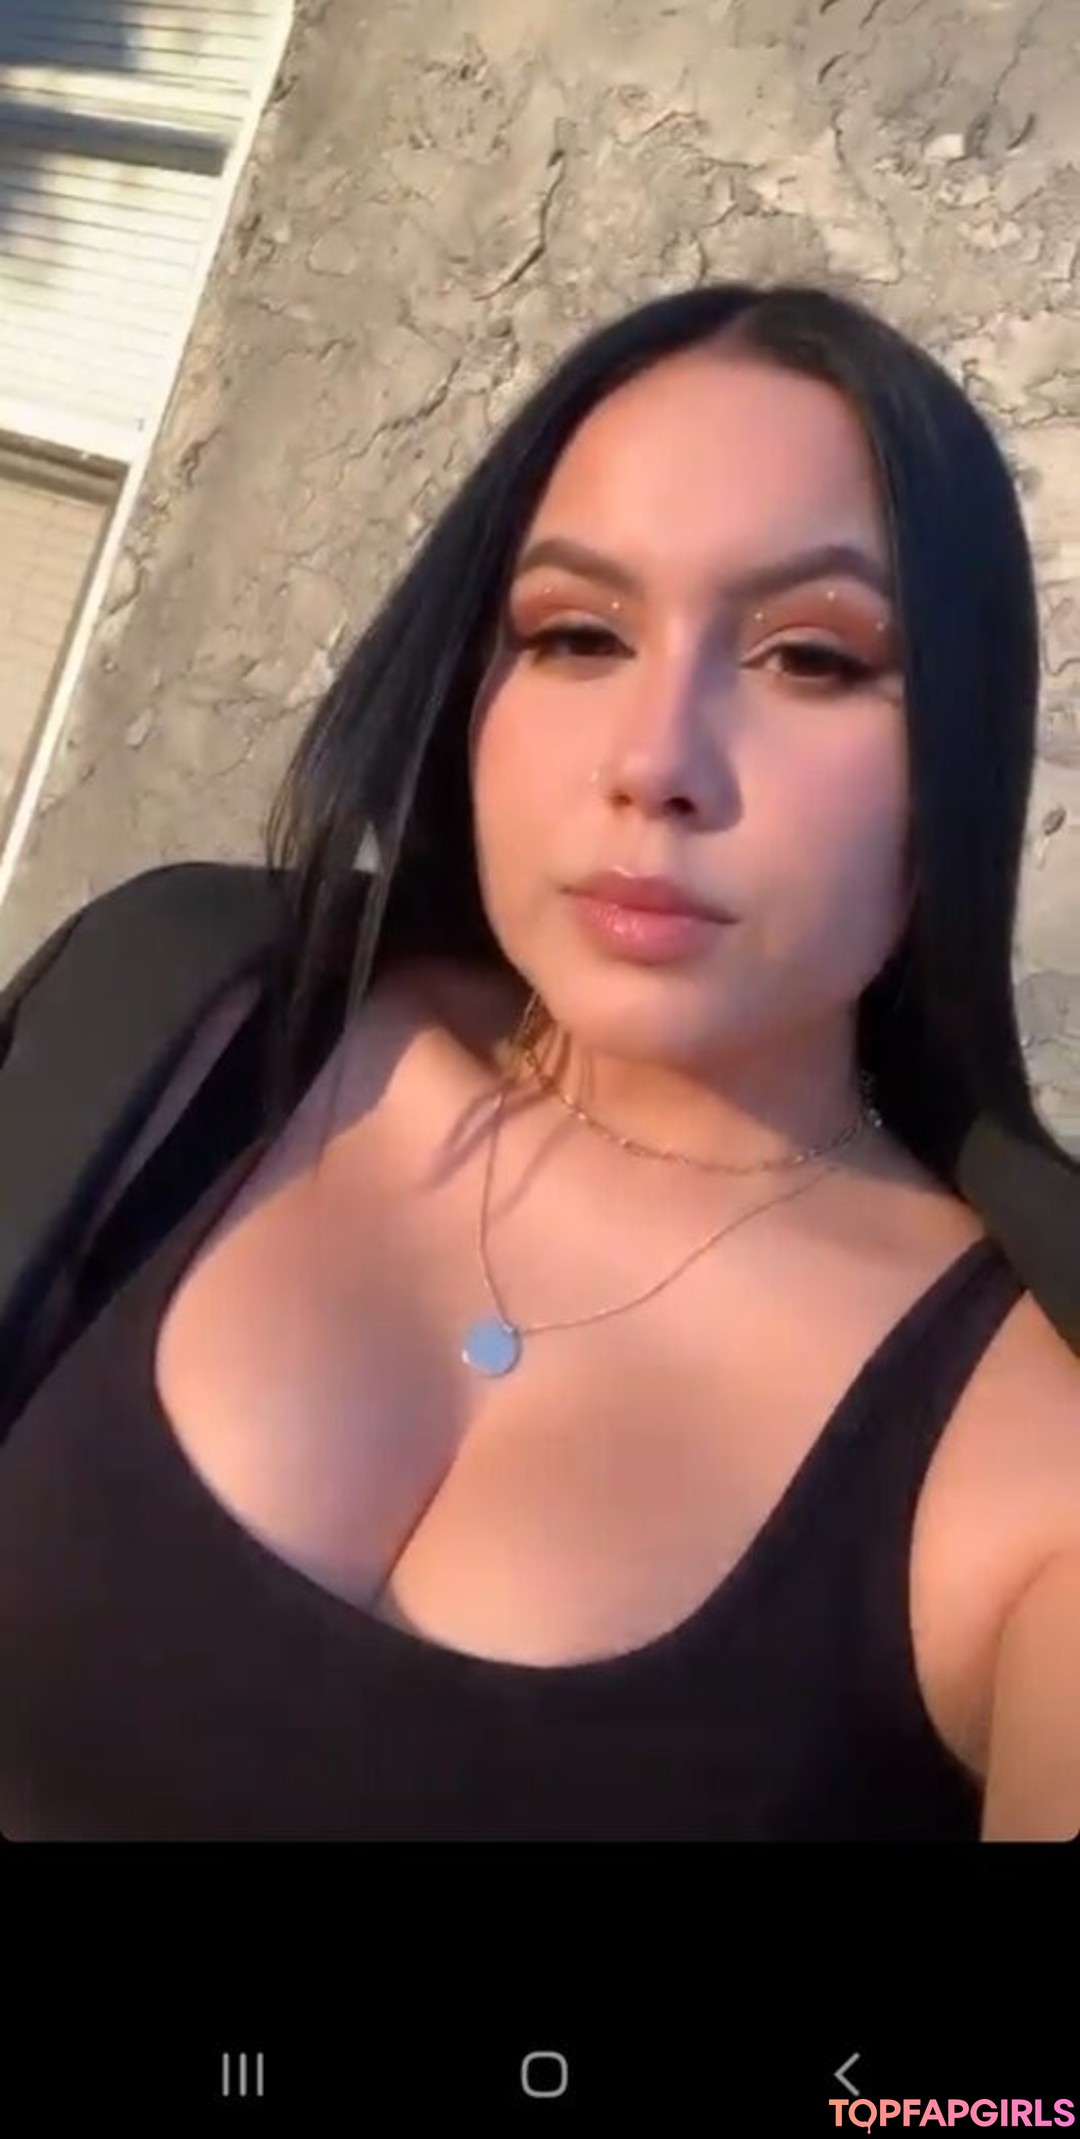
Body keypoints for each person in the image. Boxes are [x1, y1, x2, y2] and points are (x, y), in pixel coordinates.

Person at [0, 280, 1077, 1843]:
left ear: (957, 760)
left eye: (811, 658)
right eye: (577, 634)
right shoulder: (184, 1025)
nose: (655, 763)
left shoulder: (1027, 1446)